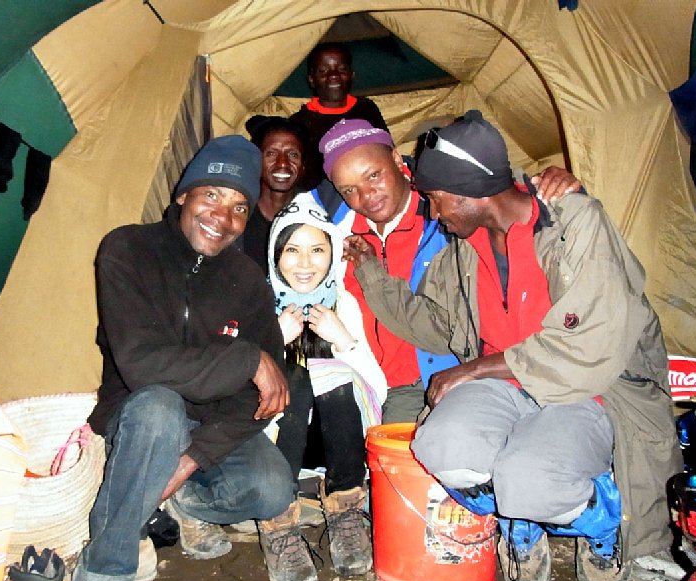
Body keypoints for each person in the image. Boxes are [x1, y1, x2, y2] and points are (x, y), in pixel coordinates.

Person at [342, 110, 682, 581]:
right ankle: (523, 521)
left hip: (587, 390)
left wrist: (475, 369)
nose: (434, 214)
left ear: (469, 191)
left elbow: (588, 346)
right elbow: (439, 326)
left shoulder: (573, 225)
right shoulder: (465, 247)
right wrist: (373, 276)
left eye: (437, 201)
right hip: (507, 390)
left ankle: (602, 522)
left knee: (529, 479)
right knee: (439, 445)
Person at [72, 136, 317, 581]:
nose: (223, 218)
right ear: (183, 194)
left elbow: (264, 394)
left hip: (211, 422)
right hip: (138, 412)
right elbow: (141, 364)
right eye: (212, 196)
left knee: (272, 490)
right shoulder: (127, 249)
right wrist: (247, 358)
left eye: (240, 207)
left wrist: (191, 460)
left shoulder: (246, 280)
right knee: (159, 407)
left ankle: (175, 499)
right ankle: (105, 569)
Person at [316, 118, 581, 424]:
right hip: (362, 377)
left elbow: (503, 198)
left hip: (433, 378)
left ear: (397, 159)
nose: (367, 195)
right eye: (349, 189)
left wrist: (551, 185)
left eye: (374, 175)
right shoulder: (334, 230)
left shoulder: (450, 219)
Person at [267, 192, 386, 577]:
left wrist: (343, 341)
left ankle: (345, 505)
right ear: (275, 255)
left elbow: (376, 392)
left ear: (332, 253)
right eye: (292, 251)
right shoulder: (257, 303)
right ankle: (279, 520)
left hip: (338, 447)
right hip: (273, 447)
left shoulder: (343, 302)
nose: (305, 264)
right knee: (294, 379)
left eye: (317, 250)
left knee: (335, 375)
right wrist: (271, 341)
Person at [290, 42, 388, 191]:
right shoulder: (299, 123)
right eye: (323, 71)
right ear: (311, 79)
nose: (334, 76)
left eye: (341, 69)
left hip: (373, 188)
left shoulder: (366, 108)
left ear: (352, 75)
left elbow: (387, 150)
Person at [241, 115, 308, 272]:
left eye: (293, 154)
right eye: (271, 153)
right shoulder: (239, 211)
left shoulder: (315, 212)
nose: (283, 163)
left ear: (303, 166)